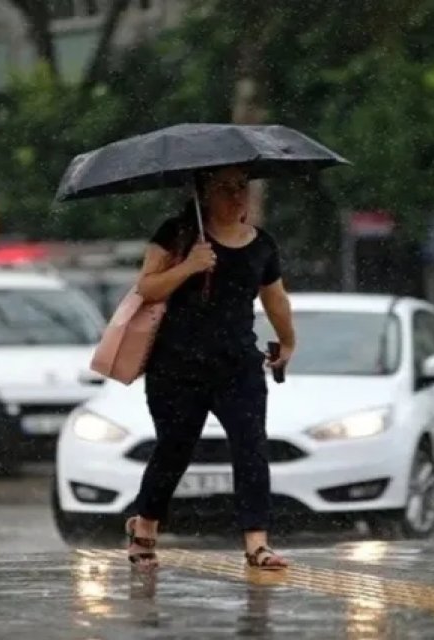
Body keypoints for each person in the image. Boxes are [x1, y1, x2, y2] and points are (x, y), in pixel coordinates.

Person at [123, 165, 295, 570]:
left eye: (243, 188)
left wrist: (287, 341)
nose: (238, 197)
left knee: (251, 446)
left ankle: (257, 542)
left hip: (237, 366)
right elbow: (146, 287)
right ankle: (144, 525)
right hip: (176, 366)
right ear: (204, 195)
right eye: (226, 189)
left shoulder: (262, 245)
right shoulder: (179, 235)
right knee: (174, 449)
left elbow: (276, 300)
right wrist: (189, 266)